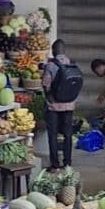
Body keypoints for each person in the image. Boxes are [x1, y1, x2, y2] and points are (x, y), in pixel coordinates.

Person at [41, 39, 82, 170]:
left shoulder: (51, 65)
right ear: (64, 50)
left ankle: (55, 164)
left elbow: (46, 84)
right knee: (68, 134)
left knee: (52, 134)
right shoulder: (72, 64)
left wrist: (48, 94)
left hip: (53, 106)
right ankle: (68, 162)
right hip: (69, 105)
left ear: (53, 51)